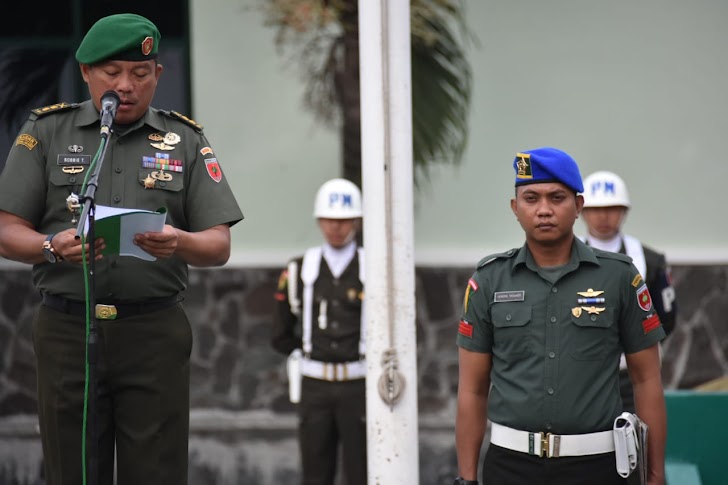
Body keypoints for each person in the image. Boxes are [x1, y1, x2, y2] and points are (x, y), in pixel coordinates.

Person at [0, 13, 243, 485]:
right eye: (112, 73)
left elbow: (218, 244)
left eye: (140, 73)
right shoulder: (47, 133)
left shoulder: (185, 140)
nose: (126, 86)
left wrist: (179, 242)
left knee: (155, 472)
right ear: (87, 72)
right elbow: (7, 228)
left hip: (153, 332)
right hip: (69, 329)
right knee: (72, 470)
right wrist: (50, 246)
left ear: (159, 75)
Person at [454, 147, 667, 485]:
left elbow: (647, 380)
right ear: (515, 208)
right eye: (531, 198)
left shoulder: (619, 277)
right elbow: (472, 390)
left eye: (557, 197)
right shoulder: (489, 280)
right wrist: (466, 479)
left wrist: (654, 476)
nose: (544, 210)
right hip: (510, 468)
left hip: (596, 467)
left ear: (578, 206)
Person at [272, 178, 367, 485]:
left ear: (356, 220)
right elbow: (280, 331)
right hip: (315, 387)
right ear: (319, 220)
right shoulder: (299, 269)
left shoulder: (373, 267)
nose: (336, 227)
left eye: (343, 220)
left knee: (363, 471)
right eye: (329, 219)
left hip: (360, 384)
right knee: (315, 472)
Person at [581, 170, 677, 413]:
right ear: (581, 211)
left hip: (632, 376)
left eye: (612, 208)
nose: (603, 215)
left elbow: (666, 317)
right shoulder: (564, 257)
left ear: (624, 211)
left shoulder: (650, 260)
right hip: (580, 376)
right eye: (595, 208)